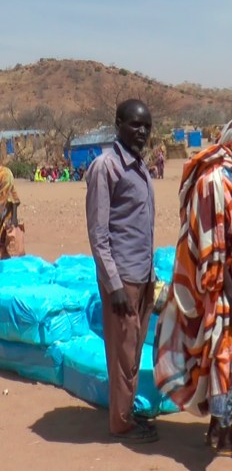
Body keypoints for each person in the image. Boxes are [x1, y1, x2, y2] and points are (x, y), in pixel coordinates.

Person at [154, 117, 232, 460]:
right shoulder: (214, 182)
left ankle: (218, 428)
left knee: (224, 357)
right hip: (216, 288)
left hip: (231, 286)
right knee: (223, 357)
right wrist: (229, 295)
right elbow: (212, 242)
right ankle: (223, 436)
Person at [85, 99, 157, 443]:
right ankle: (120, 423)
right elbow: (99, 234)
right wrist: (113, 285)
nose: (141, 132)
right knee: (122, 352)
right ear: (118, 124)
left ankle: (126, 412)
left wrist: (152, 274)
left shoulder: (141, 168)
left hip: (143, 275)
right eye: (134, 125)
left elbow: (143, 227)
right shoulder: (106, 167)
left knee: (135, 349)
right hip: (123, 279)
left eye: (146, 126)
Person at [0, 161, 21, 259]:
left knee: (6, 247)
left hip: (5, 215)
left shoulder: (5, 174)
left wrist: (14, 219)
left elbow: (4, 199)